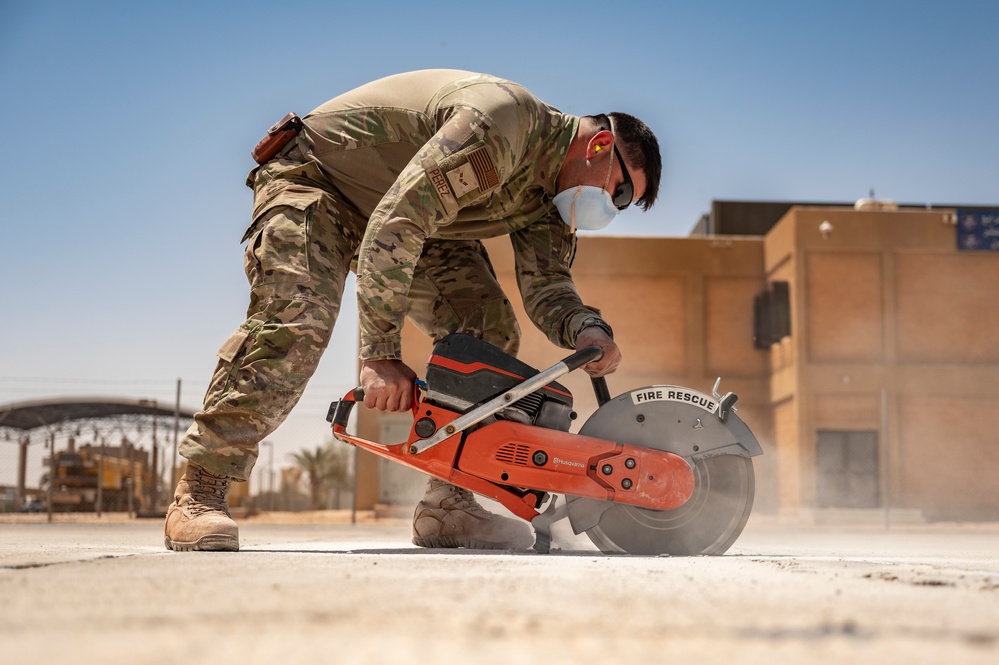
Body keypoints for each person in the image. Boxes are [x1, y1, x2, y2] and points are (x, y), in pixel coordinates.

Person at [164, 69, 662, 552]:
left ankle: (449, 506)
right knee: (297, 323)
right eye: (618, 191)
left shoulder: (548, 198)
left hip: (409, 219)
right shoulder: (501, 124)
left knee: (486, 330)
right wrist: (379, 354)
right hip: (318, 182)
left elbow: (548, 285)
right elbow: (395, 223)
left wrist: (587, 329)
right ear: (599, 146)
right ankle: (199, 491)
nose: (609, 208)